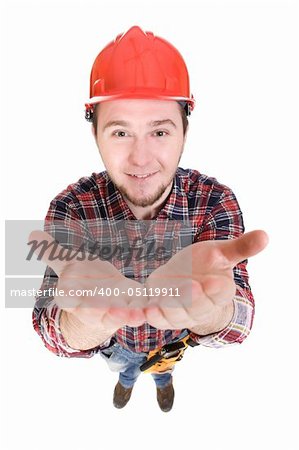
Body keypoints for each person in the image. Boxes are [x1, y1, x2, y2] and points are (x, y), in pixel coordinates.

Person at [30, 25, 268, 412]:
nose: (141, 159)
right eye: (121, 132)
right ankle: (126, 383)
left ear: (184, 132)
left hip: (173, 344)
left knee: (162, 369)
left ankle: (161, 381)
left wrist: (214, 313)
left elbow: (238, 319)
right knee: (125, 369)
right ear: (95, 136)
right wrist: (88, 324)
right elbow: (49, 327)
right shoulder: (71, 209)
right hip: (114, 348)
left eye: (159, 131)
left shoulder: (214, 202)